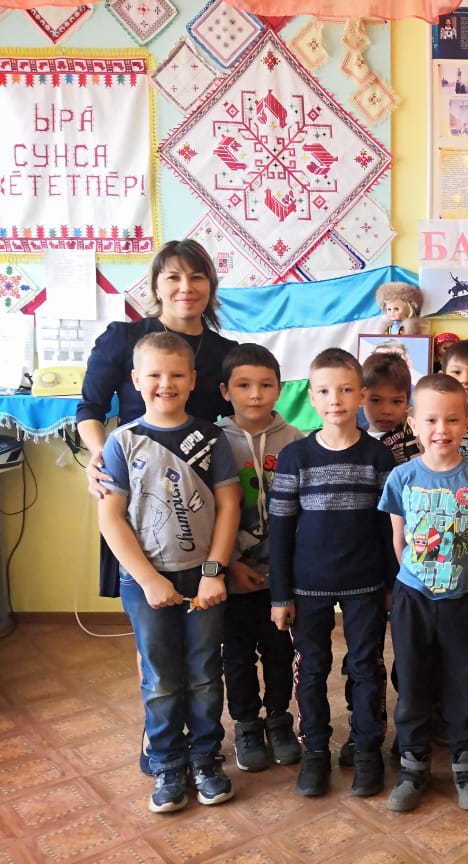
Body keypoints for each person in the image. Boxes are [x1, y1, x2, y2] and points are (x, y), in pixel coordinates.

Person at [96, 332, 241, 813]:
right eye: (154, 374)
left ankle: (205, 757)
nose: (166, 383)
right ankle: (166, 762)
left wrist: (214, 571)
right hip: (146, 583)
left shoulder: (212, 438)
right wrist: (149, 579)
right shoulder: (121, 441)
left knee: (204, 672)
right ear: (135, 380)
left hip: (202, 579)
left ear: (193, 380)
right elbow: (110, 518)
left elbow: (229, 506)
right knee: (160, 677)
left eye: (177, 374)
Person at [268, 349, 397, 799]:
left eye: (345, 389)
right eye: (324, 391)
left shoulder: (378, 456)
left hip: (366, 584)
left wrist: (390, 585)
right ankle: (316, 752)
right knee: (312, 669)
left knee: (365, 667)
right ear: (311, 397)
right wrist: (280, 595)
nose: (335, 399)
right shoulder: (295, 457)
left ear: (361, 395)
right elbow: (280, 532)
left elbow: (389, 528)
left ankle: (366, 751)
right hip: (308, 587)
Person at [79, 239, 238, 596]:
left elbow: (234, 426)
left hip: (200, 493)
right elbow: (90, 408)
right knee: (149, 601)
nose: (186, 287)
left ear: (210, 286)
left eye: (197, 277)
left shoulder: (227, 353)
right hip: (138, 486)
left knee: (207, 609)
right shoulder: (123, 338)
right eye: (173, 277)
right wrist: (102, 457)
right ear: (155, 286)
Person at [378, 374, 468, 812]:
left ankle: (466, 764)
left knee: (463, 683)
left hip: (463, 599)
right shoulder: (402, 477)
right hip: (413, 598)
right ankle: (413, 766)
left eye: (452, 419)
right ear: (413, 424)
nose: (442, 429)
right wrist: (413, 579)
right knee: (412, 683)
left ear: (466, 421)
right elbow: (398, 540)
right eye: (431, 420)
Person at [217, 344, 303, 773]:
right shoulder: (213, 441)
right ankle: (247, 725)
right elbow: (209, 510)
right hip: (232, 575)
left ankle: (279, 720)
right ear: (225, 391)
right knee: (236, 656)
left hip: (282, 578)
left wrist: (288, 571)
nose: (255, 394)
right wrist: (230, 562)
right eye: (244, 385)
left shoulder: (297, 441)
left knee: (279, 651)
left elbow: (305, 512)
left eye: (266, 385)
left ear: (279, 389)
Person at [336, 350, 420, 769]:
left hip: (411, 568)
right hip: (363, 566)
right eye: (376, 400)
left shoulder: (419, 445)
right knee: (362, 656)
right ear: (360, 397)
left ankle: (413, 726)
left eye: (397, 401)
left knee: (411, 654)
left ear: (409, 403)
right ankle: (364, 726)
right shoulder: (349, 443)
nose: (386, 410)